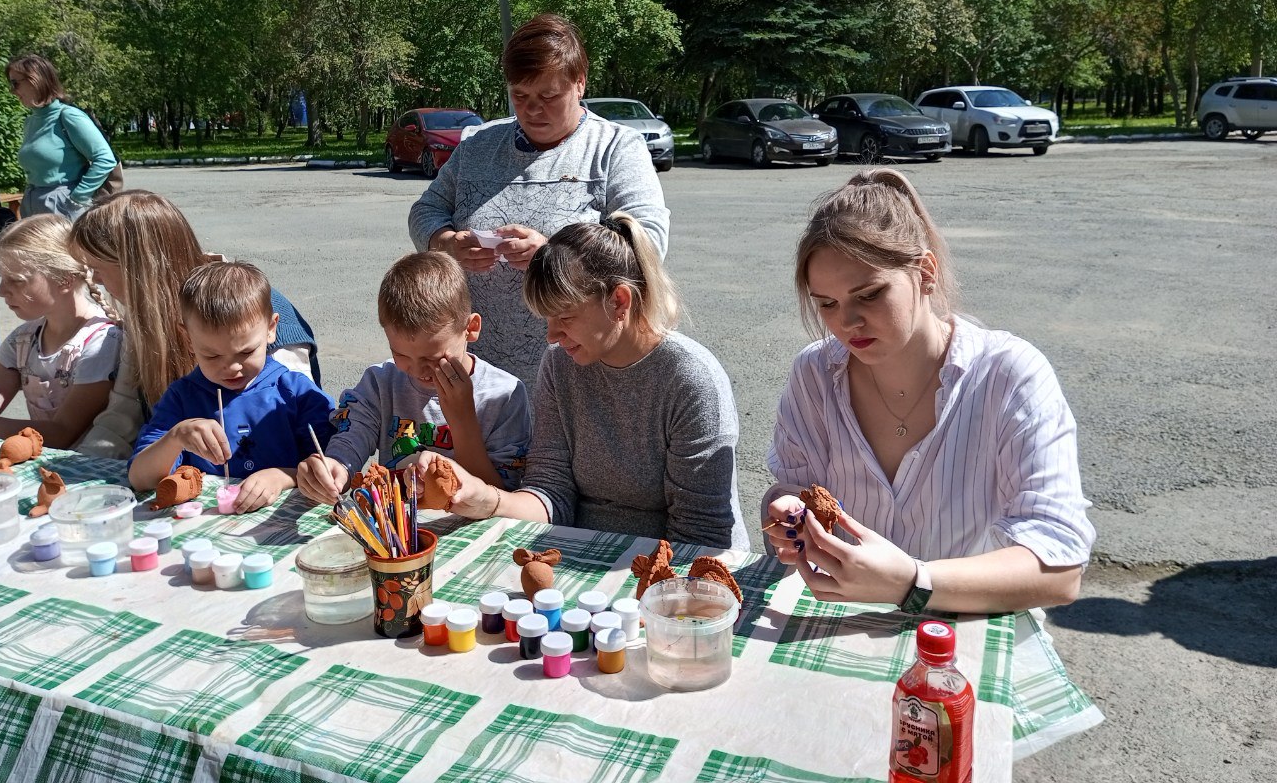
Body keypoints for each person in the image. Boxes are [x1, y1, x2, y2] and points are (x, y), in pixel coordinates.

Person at [762, 169, 1095, 613]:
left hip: (966, 634)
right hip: (840, 623)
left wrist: (913, 583)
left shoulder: (1009, 373)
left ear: (926, 272)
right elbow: (792, 488)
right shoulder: (814, 372)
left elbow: (1060, 570)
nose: (847, 322)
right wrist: (783, 511)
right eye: (827, 304)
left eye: (870, 294)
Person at [410, 213, 748, 550]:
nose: (552, 336)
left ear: (619, 301)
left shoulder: (690, 380)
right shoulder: (561, 365)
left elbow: (700, 535)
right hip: (582, 551)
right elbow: (549, 489)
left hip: (675, 566)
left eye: (565, 317)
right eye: (547, 319)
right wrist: (486, 499)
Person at [408, 13, 670, 389]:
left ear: (580, 84)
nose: (532, 110)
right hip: (479, 377)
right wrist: (445, 243)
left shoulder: (615, 148)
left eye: (549, 96)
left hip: (577, 377)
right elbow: (425, 210)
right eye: (520, 96)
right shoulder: (478, 144)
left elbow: (648, 242)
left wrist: (556, 257)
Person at [68, 190, 321, 459]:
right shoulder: (144, 317)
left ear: (138, 268)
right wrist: (84, 466)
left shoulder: (252, 310)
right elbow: (122, 416)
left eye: (98, 267)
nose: (94, 280)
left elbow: (301, 427)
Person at [296, 251, 531, 503]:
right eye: (401, 355)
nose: (419, 370)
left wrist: (462, 417)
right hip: (396, 528)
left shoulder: (503, 395)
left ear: (470, 329)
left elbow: (499, 495)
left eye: (433, 358)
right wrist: (337, 466)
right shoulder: (381, 383)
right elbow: (351, 438)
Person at [129, 262, 334, 513]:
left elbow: (329, 472)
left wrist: (282, 477)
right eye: (212, 356)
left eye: (246, 351)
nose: (232, 368)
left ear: (271, 329)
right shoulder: (182, 398)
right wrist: (176, 437)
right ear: (188, 340)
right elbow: (140, 479)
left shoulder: (296, 393)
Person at [0, 216, 122, 447]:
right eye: (2, 278)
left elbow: (63, 433)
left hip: (91, 472)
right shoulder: (21, 340)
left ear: (64, 280)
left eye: (16, 280)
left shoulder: (102, 342)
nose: (2, 291)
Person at [5, 55, 118, 221]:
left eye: (15, 83)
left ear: (35, 80)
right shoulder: (31, 121)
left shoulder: (68, 116)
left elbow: (105, 159)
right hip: (33, 204)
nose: (12, 90)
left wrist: (77, 197)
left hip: (63, 206)